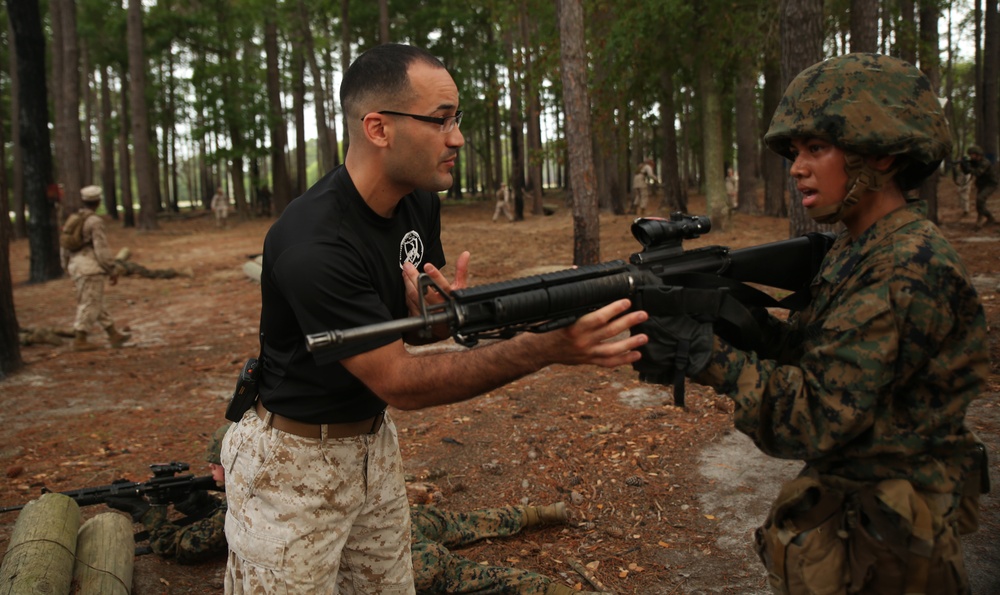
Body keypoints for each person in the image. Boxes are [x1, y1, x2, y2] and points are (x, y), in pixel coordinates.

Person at [221, 43, 648, 594]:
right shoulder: (313, 243)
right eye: (440, 120)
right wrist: (547, 347)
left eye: (457, 119)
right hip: (292, 468)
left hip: (372, 446)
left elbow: (420, 325)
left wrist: (440, 316)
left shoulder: (416, 201)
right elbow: (400, 380)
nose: (457, 138)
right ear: (378, 128)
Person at [632, 53, 989, 594]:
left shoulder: (907, 266)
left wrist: (706, 355)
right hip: (860, 529)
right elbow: (821, 354)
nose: (796, 167)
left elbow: (817, 417)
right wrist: (739, 320)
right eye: (794, 152)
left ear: (884, 154)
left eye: (816, 149)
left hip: (896, 551)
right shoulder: (861, 246)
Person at [106, 424, 230, 564]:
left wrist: (147, 514)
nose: (211, 466)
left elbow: (179, 547)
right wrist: (201, 503)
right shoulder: (250, 491)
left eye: (218, 462)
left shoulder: (242, 507)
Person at [60, 185, 131, 351]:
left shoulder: (73, 219)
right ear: (98, 201)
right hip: (90, 267)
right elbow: (101, 249)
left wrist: (66, 265)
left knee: (94, 300)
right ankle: (80, 338)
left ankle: (113, 334)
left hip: (76, 265)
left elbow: (64, 245)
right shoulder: (94, 222)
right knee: (90, 303)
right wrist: (111, 269)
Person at [961, 145, 997, 229]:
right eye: (970, 155)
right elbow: (966, 172)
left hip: (990, 184)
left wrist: (969, 167)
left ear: (978, 154)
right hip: (981, 184)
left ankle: (989, 217)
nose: (971, 156)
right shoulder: (974, 162)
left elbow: (978, 173)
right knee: (979, 203)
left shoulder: (985, 162)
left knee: (980, 199)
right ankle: (980, 221)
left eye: (973, 154)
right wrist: (963, 165)